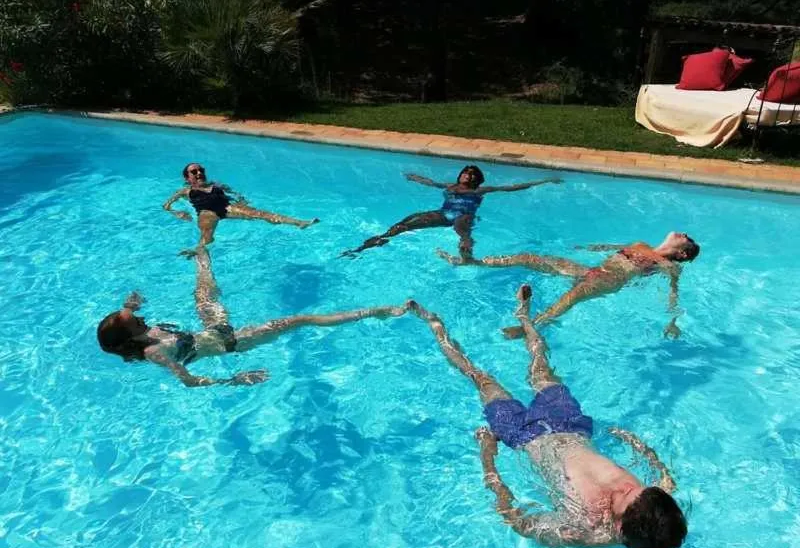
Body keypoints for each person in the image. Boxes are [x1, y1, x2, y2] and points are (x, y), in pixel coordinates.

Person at [407, 285, 686, 548]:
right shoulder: (655, 499)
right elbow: (662, 473)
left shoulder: (581, 531)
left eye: (624, 496)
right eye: (635, 486)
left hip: (521, 434)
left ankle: (433, 323)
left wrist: (488, 456)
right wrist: (634, 442)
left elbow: (514, 519)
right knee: (540, 365)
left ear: (619, 528)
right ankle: (524, 318)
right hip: (568, 422)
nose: (625, 486)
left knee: (479, 378)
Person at [97, 246, 409, 387]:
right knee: (299, 320)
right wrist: (233, 379)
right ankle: (373, 313)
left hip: (209, 331)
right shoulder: (154, 353)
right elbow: (189, 382)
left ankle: (201, 252)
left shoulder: (138, 332)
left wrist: (130, 304)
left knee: (202, 292)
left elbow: (129, 315)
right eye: (135, 320)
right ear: (131, 337)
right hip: (229, 342)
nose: (141, 317)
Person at [438, 232, 700, 338]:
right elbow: (613, 247)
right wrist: (592, 247)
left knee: (569, 298)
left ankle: (528, 328)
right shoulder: (641, 244)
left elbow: (673, 292)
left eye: (686, 238)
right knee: (529, 258)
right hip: (593, 270)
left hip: (609, 280)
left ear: (683, 253)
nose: (681, 233)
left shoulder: (668, 266)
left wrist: (672, 321)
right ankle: (472, 262)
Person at [341, 165, 562, 259]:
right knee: (405, 225)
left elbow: (512, 187)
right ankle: (372, 243)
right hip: (442, 213)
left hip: (463, 214)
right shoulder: (449, 186)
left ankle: (467, 255)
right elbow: (432, 182)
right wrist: (415, 178)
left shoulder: (480, 190)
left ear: (475, 178)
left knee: (463, 232)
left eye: (469, 173)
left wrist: (544, 180)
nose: (465, 175)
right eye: (464, 172)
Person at [163, 163, 319, 253]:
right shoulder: (185, 191)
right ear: (187, 177)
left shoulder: (217, 185)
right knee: (207, 239)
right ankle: (198, 254)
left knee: (261, 214)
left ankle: (300, 223)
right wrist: (178, 213)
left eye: (201, 170)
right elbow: (166, 205)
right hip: (206, 213)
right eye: (194, 172)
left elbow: (236, 194)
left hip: (227, 207)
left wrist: (243, 202)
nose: (199, 173)